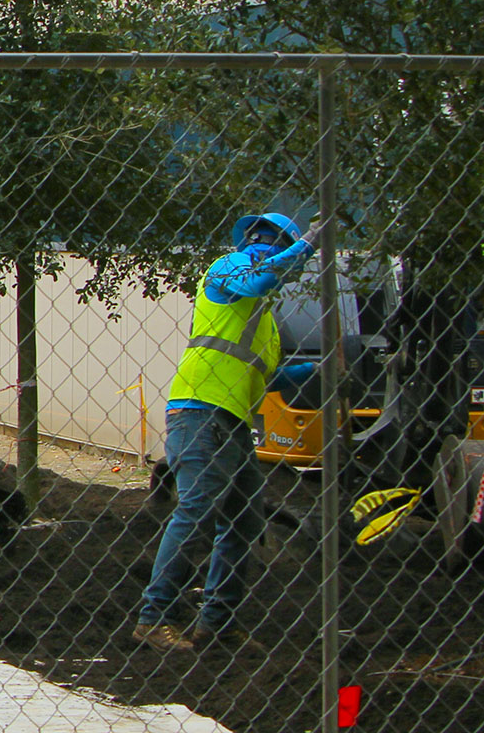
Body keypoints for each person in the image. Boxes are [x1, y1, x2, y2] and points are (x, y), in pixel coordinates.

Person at [133, 212, 322, 652]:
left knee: (243, 521)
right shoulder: (227, 269)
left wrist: (316, 371)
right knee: (197, 510)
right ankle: (153, 616)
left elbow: (266, 377)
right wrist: (310, 242)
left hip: (232, 423)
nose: (266, 253)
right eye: (269, 246)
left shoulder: (265, 323)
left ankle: (216, 623)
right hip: (198, 412)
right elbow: (258, 279)